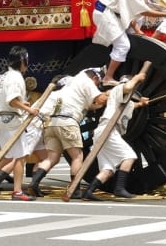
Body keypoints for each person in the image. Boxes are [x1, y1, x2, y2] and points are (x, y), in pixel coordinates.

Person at [26, 68, 106, 197]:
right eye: (97, 83)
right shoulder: (87, 82)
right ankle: (75, 188)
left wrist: (97, 105)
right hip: (68, 123)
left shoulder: (68, 87)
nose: (97, 86)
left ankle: (34, 183)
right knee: (77, 156)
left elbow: (90, 105)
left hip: (52, 123)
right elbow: (100, 99)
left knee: (52, 158)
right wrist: (115, 92)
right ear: (95, 78)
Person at [0, 46, 38, 201]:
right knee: (20, 156)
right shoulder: (15, 77)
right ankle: (17, 191)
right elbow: (12, 101)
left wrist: (24, 104)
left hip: (4, 120)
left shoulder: (6, 76)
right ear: (23, 61)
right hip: (12, 121)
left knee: (8, 156)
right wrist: (28, 109)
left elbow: (12, 99)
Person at [82, 72, 149, 200]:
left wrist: (141, 103)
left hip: (105, 132)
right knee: (130, 156)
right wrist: (137, 77)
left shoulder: (125, 101)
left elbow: (132, 105)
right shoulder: (119, 89)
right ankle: (119, 188)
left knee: (108, 169)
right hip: (108, 130)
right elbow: (127, 88)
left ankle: (89, 191)